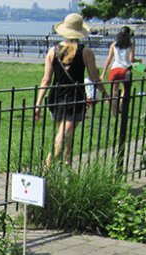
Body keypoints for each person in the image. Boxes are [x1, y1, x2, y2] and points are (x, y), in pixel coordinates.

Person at [34, 13, 107, 166]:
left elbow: (46, 79)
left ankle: (67, 170)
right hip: (75, 99)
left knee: (67, 136)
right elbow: (95, 77)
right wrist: (105, 94)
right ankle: (47, 171)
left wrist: (39, 103)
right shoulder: (86, 52)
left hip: (56, 98)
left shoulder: (53, 51)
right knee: (63, 136)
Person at [101, 26, 140, 117]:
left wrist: (103, 73)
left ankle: (114, 114)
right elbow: (131, 59)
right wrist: (139, 61)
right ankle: (121, 107)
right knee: (124, 90)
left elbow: (108, 60)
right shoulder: (131, 45)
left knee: (114, 92)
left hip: (114, 69)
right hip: (125, 70)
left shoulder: (114, 45)